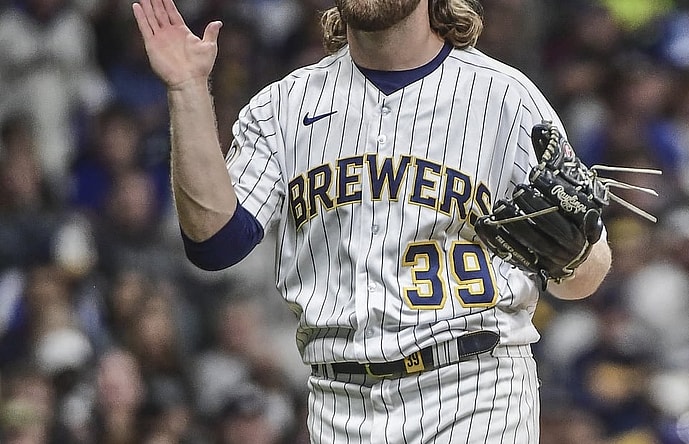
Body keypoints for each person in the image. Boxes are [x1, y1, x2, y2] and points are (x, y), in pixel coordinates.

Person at [131, 0, 612, 442]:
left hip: (474, 386)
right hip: (338, 402)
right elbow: (214, 243)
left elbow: (584, 279)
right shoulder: (284, 106)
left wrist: (573, 255)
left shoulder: (503, 97)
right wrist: (188, 89)